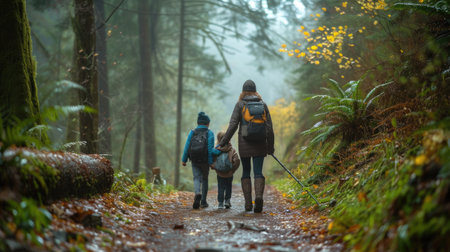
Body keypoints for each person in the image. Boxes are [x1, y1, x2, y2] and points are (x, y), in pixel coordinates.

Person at [219, 80, 274, 213]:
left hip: (245, 143)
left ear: (243, 91)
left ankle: (248, 204)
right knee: (258, 172)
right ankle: (259, 197)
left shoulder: (240, 104)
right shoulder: (263, 104)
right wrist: (270, 147)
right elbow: (269, 128)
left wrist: (223, 142)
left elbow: (233, 125)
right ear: (255, 91)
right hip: (260, 143)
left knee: (245, 172)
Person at [182, 112, 217, 209]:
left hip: (194, 159)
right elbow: (210, 149)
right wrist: (210, 162)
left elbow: (187, 147)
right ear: (208, 123)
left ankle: (197, 193)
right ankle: (203, 201)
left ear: (198, 122)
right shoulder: (210, 133)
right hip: (205, 161)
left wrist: (184, 160)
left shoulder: (192, 132)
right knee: (205, 179)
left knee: (196, 178)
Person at [212, 132, 240, 209]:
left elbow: (213, 160)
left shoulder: (216, 150)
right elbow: (237, 160)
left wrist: (215, 167)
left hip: (220, 173)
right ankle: (227, 201)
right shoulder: (232, 150)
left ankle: (220, 203)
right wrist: (233, 169)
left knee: (220, 187)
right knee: (228, 187)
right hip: (229, 173)